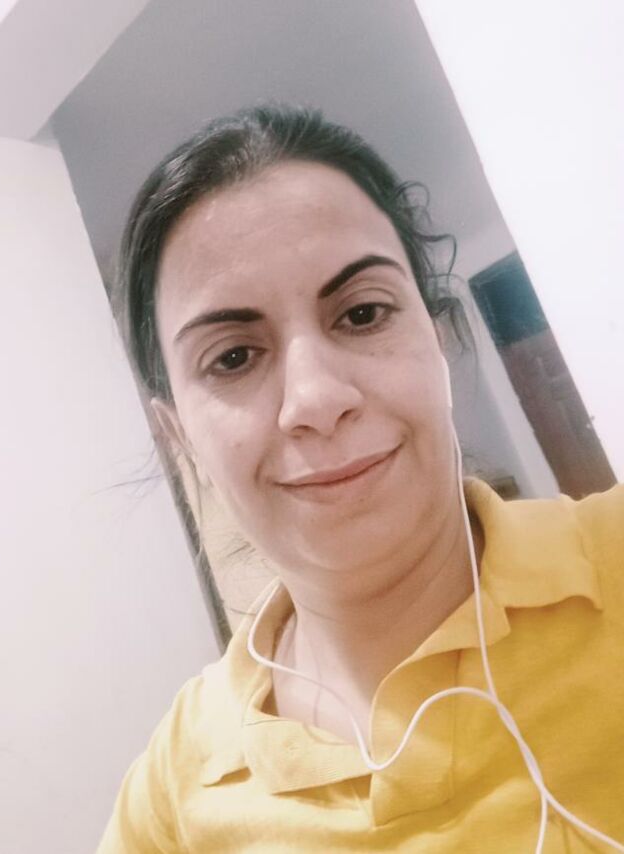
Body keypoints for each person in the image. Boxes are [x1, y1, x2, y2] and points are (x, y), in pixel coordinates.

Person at [98, 103, 624, 853]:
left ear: (437, 341)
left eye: (363, 313)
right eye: (234, 357)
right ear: (178, 433)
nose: (317, 399)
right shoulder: (173, 793)